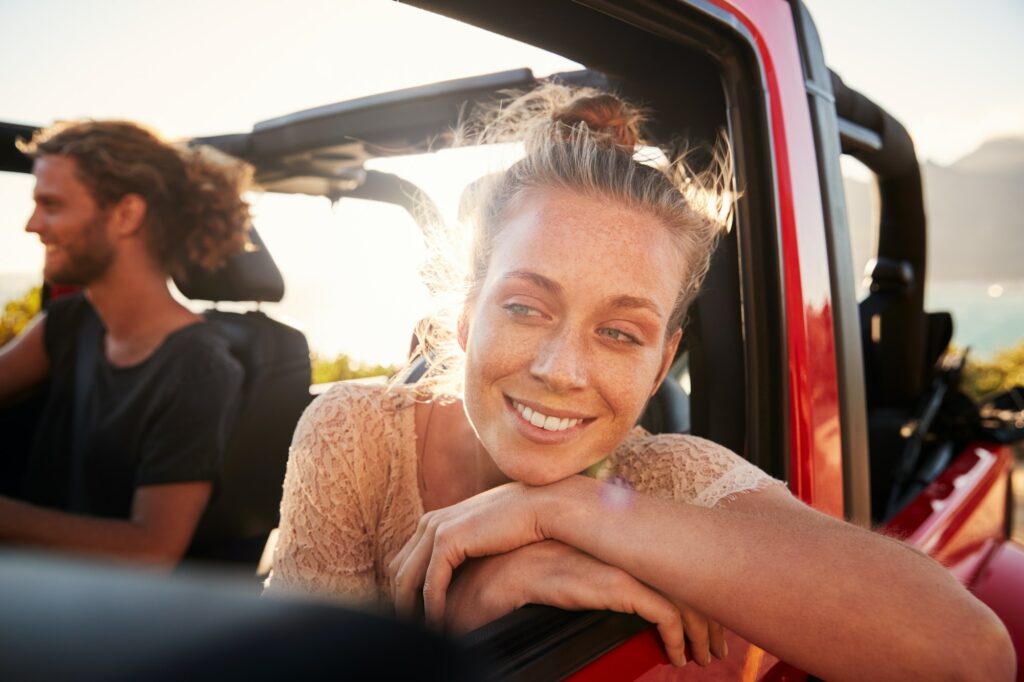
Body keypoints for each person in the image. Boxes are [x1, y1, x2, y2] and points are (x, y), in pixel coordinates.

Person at [264, 86, 1014, 680]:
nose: (562, 369)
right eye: (526, 307)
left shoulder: (662, 478)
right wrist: (471, 612)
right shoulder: (356, 433)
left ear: (662, 362)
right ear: (465, 319)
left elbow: (969, 654)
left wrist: (565, 508)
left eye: (620, 333)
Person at [0, 120, 249, 567]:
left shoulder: (198, 368)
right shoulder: (71, 320)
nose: (32, 225)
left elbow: (151, 547)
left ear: (126, 215)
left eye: (51, 205)